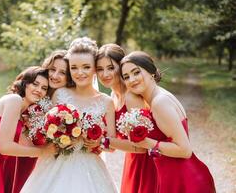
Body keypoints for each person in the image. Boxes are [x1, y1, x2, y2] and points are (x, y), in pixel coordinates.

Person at [20, 37, 117, 193]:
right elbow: (45, 127)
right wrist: (57, 135)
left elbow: (112, 145)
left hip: (89, 166)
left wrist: (98, 142)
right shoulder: (60, 94)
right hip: (56, 161)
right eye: (74, 68)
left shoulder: (106, 102)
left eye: (86, 67)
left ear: (94, 68)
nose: (80, 73)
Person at [119, 51, 216, 193]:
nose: (132, 79)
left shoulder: (159, 102)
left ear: (151, 72)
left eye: (136, 72)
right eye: (126, 77)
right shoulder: (157, 96)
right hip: (176, 177)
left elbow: (185, 150)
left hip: (183, 181)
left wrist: (146, 143)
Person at [96, 44, 157, 193]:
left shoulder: (131, 96)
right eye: (100, 69)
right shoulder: (113, 97)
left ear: (121, 66)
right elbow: (116, 143)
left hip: (146, 163)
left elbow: (143, 147)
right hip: (132, 159)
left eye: (111, 68)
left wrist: (104, 141)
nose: (105, 74)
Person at [9, 50, 73, 193]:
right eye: (53, 69)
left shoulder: (66, 100)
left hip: (45, 155)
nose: (55, 76)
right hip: (21, 151)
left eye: (62, 73)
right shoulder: (33, 89)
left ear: (69, 77)